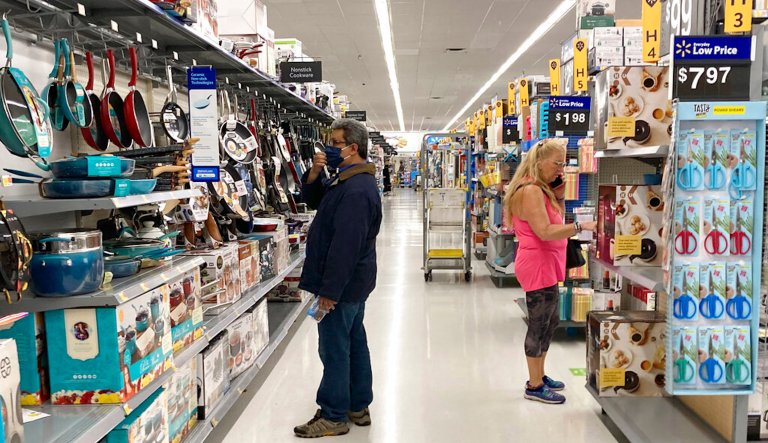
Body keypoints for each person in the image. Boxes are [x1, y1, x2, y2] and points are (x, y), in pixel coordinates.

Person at [294, 118, 383, 438]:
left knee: (333, 348)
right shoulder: (346, 179)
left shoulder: (357, 190)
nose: (328, 149)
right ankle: (357, 404)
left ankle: (333, 414)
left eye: (334, 144)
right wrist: (315, 174)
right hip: (353, 284)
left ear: (352, 148)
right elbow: (316, 201)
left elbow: (346, 246)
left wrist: (330, 291)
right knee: (354, 341)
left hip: (343, 285)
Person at [504, 139, 596, 404]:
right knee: (538, 324)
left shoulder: (541, 190)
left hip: (547, 263)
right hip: (536, 264)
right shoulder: (530, 190)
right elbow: (545, 232)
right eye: (557, 163)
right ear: (539, 162)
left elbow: (554, 221)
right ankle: (533, 385)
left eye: (563, 163)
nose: (561, 168)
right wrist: (580, 227)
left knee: (550, 322)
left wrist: (558, 194)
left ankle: (540, 375)